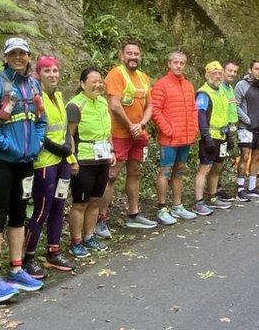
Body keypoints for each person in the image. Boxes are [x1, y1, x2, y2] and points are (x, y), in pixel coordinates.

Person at [0, 37, 45, 302]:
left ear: (29, 57)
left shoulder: (33, 84)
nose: (18, 57)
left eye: (23, 53)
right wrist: (7, 146)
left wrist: (37, 142)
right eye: (13, 53)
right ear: (5, 56)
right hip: (2, 161)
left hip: (26, 160)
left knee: (19, 214)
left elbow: (41, 120)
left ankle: (16, 268)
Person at [23, 56, 77, 279]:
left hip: (63, 162)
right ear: (38, 74)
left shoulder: (59, 96)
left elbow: (65, 129)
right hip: (45, 163)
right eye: (47, 71)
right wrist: (60, 150)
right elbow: (38, 131)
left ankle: (53, 252)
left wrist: (70, 156)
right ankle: (27, 258)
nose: (52, 75)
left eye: (55, 70)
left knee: (58, 207)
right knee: (42, 210)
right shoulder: (36, 98)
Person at [97, 42, 156, 239]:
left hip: (138, 133)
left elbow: (150, 105)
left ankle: (134, 214)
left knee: (135, 172)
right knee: (111, 175)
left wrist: (141, 124)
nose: (133, 56)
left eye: (136, 53)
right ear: (122, 56)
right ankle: (100, 219)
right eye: (129, 53)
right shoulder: (116, 74)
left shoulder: (143, 77)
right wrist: (131, 125)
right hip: (118, 133)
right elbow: (114, 104)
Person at [66, 67, 115, 258]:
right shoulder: (75, 105)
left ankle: (89, 236)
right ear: (82, 83)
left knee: (95, 200)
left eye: (100, 81)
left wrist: (112, 150)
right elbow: (68, 135)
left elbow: (108, 129)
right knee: (80, 203)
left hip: (102, 158)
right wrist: (72, 159)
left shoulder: (102, 102)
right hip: (84, 159)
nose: (97, 84)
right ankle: (76, 241)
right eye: (92, 81)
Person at [151, 51, 199, 225]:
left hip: (185, 138)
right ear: (169, 63)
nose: (179, 66)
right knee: (165, 172)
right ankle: (162, 208)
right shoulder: (161, 84)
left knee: (179, 172)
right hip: (169, 139)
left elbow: (194, 110)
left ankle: (177, 206)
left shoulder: (188, 85)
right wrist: (168, 129)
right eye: (176, 62)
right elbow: (155, 110)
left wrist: (193, 130)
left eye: (182, 63)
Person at [193, 61, 233, 215]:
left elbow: (225, 113)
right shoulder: (203, 93)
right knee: (205, 168)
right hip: (209, 136)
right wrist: (206, 137)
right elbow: (201, 116)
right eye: (213, 73)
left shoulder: (222, 90)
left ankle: (213, 197)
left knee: (217, 167)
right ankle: (198, 202)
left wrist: (228, 135)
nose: (217, 76)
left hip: (222, 135)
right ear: (207, 74)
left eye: (219, 73)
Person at [235, 60, 259, 199]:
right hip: (246, 128)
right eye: (256, 69)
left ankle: (252, 186)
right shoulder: (241, 85)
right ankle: (240, 188)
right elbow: (236, 105)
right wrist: (247, 120)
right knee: (244, 156)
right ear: (250, 70)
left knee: (257, 156)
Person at [216, 61, 240, 202]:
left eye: (235, 71)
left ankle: (219, 188)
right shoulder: (218, 87)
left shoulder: (230, 88)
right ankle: (214, 190)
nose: (232, 74)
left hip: (230, 127)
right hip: (220, 129)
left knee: (224, 160)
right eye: (229, 71)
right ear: (223, 71)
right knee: (216, 161)